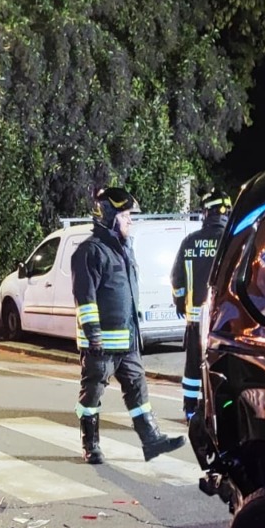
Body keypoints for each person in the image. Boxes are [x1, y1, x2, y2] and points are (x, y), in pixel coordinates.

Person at [71, 186, 185, 464]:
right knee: (92, 394)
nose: (130, 221)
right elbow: (85, 299)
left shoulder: (124, 250)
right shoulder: (89, 252)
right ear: (109, 216)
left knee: (138, 389)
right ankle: (90, 445)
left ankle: (152, 440)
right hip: (101, 344)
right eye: (125, 216)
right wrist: (94, 337)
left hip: (129, 341)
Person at [171, 190, 231, 419]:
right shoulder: (232, 241)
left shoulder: (190, 241)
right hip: (223, 322)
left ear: (206, 212)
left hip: (195, 320)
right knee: (220, 367)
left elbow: (177, 277)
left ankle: (190, 409)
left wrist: (180, 301)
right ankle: (216, 411)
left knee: (193, 366)